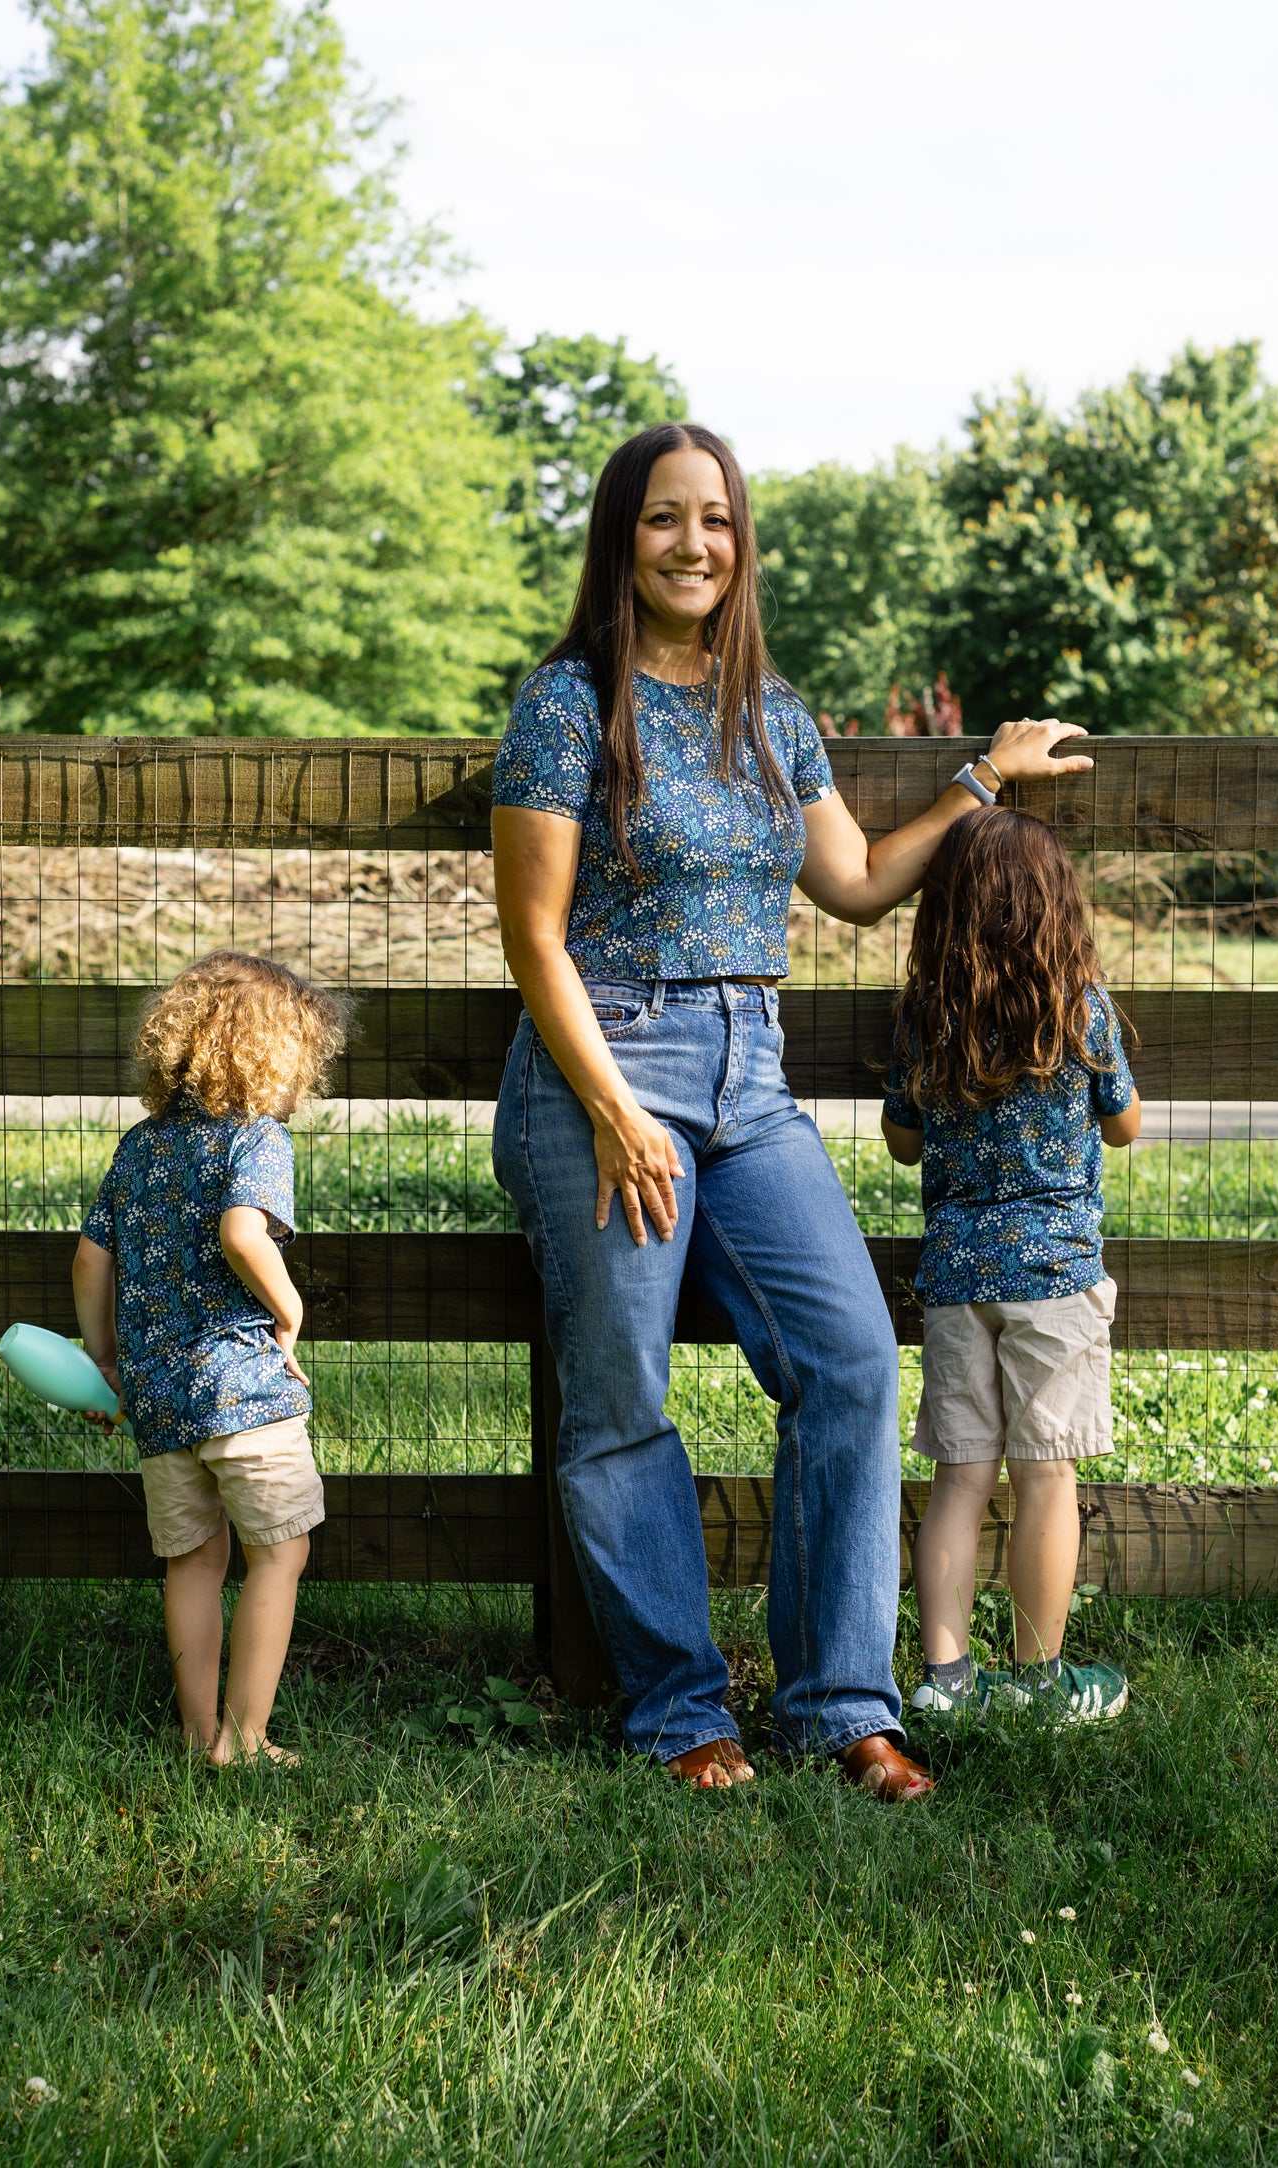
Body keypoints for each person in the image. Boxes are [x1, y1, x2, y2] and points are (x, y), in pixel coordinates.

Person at [489, 419, 1095, 1795]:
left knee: (850, 1361)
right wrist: (611, 1113)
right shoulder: (568, 703)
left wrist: (983, 781)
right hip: (608, 1068)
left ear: (741, 539)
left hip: (748, 1079)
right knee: (620, 1395)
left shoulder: (769, 708)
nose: (691, 543)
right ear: (620, 538)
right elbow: (534, 937)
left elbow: (861, 879)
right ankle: (680, 1715)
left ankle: (837, 1707)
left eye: (713, 518)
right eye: (661, 518)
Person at [882, 809, 1142, 1730]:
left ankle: (942, 1682)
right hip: (1055, 1282)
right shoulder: (1080, 1004)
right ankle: (1038, 1684)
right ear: (1055, 905)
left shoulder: (928, 1014)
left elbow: (903, 1145)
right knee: (1046, 1478)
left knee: (960, 1477)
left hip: (958, 1280)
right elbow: (1124, 1122)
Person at [71, 951, 347, 1766]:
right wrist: (288, 1308)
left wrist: (105, 1362)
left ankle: (198, 1736)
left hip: (159, 1398)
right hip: (243, 1393)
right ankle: (248, 1736)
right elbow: (241, 1232)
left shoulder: (140, 1147)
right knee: (280, 1552)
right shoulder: (256, 1138)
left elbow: (90, 1260)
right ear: (279, 1054)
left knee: (192, 1561)